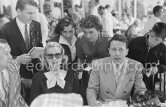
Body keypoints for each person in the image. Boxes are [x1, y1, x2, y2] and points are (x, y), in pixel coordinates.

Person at [0, 0, 43, 105]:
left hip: (36, 74)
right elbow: (2, 56)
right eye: (29, 13)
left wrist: (42, 54)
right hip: (16, 77)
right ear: (18, 11)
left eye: (34, 13)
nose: (33, 16)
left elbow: (39, 44)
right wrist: (18, 59)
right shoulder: (5, 30)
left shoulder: (36, 25)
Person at [87, 34, 147, 106]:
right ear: (109, 51)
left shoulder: (136, 66)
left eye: (121, 49)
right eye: (114, 49)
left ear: (127, 51)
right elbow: (92, 89)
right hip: (103, 104)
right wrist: (94, 103)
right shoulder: (97, 64)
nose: (117, 54)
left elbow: (140, 90)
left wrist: (138, 101)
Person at [76, 15, 111, 105]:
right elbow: (81, 57)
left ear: (99, 30)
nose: (87, 35)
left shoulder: (108, 40)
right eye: (85, 32)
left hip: (107, 73)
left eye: (91, 32)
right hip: (89, 73)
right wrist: (80, 65)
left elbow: (116, 58)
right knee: (89, 98)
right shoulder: (80, 41)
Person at [127, 22, 166, 91]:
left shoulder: (163, 48)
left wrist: (157, 68)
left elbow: (164, 65)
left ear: (163, 40)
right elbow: (126, 58)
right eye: (151, 36)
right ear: (150, 32)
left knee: (144, 99)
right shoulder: (135, 41)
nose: (152, 40)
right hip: (130, 79)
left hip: (148, 82)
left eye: (157, 39)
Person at [0, 39, 28, 107]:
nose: (10, 57)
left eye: (10, 53)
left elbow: (17, 97)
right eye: (6, 53)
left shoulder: (13, 69)